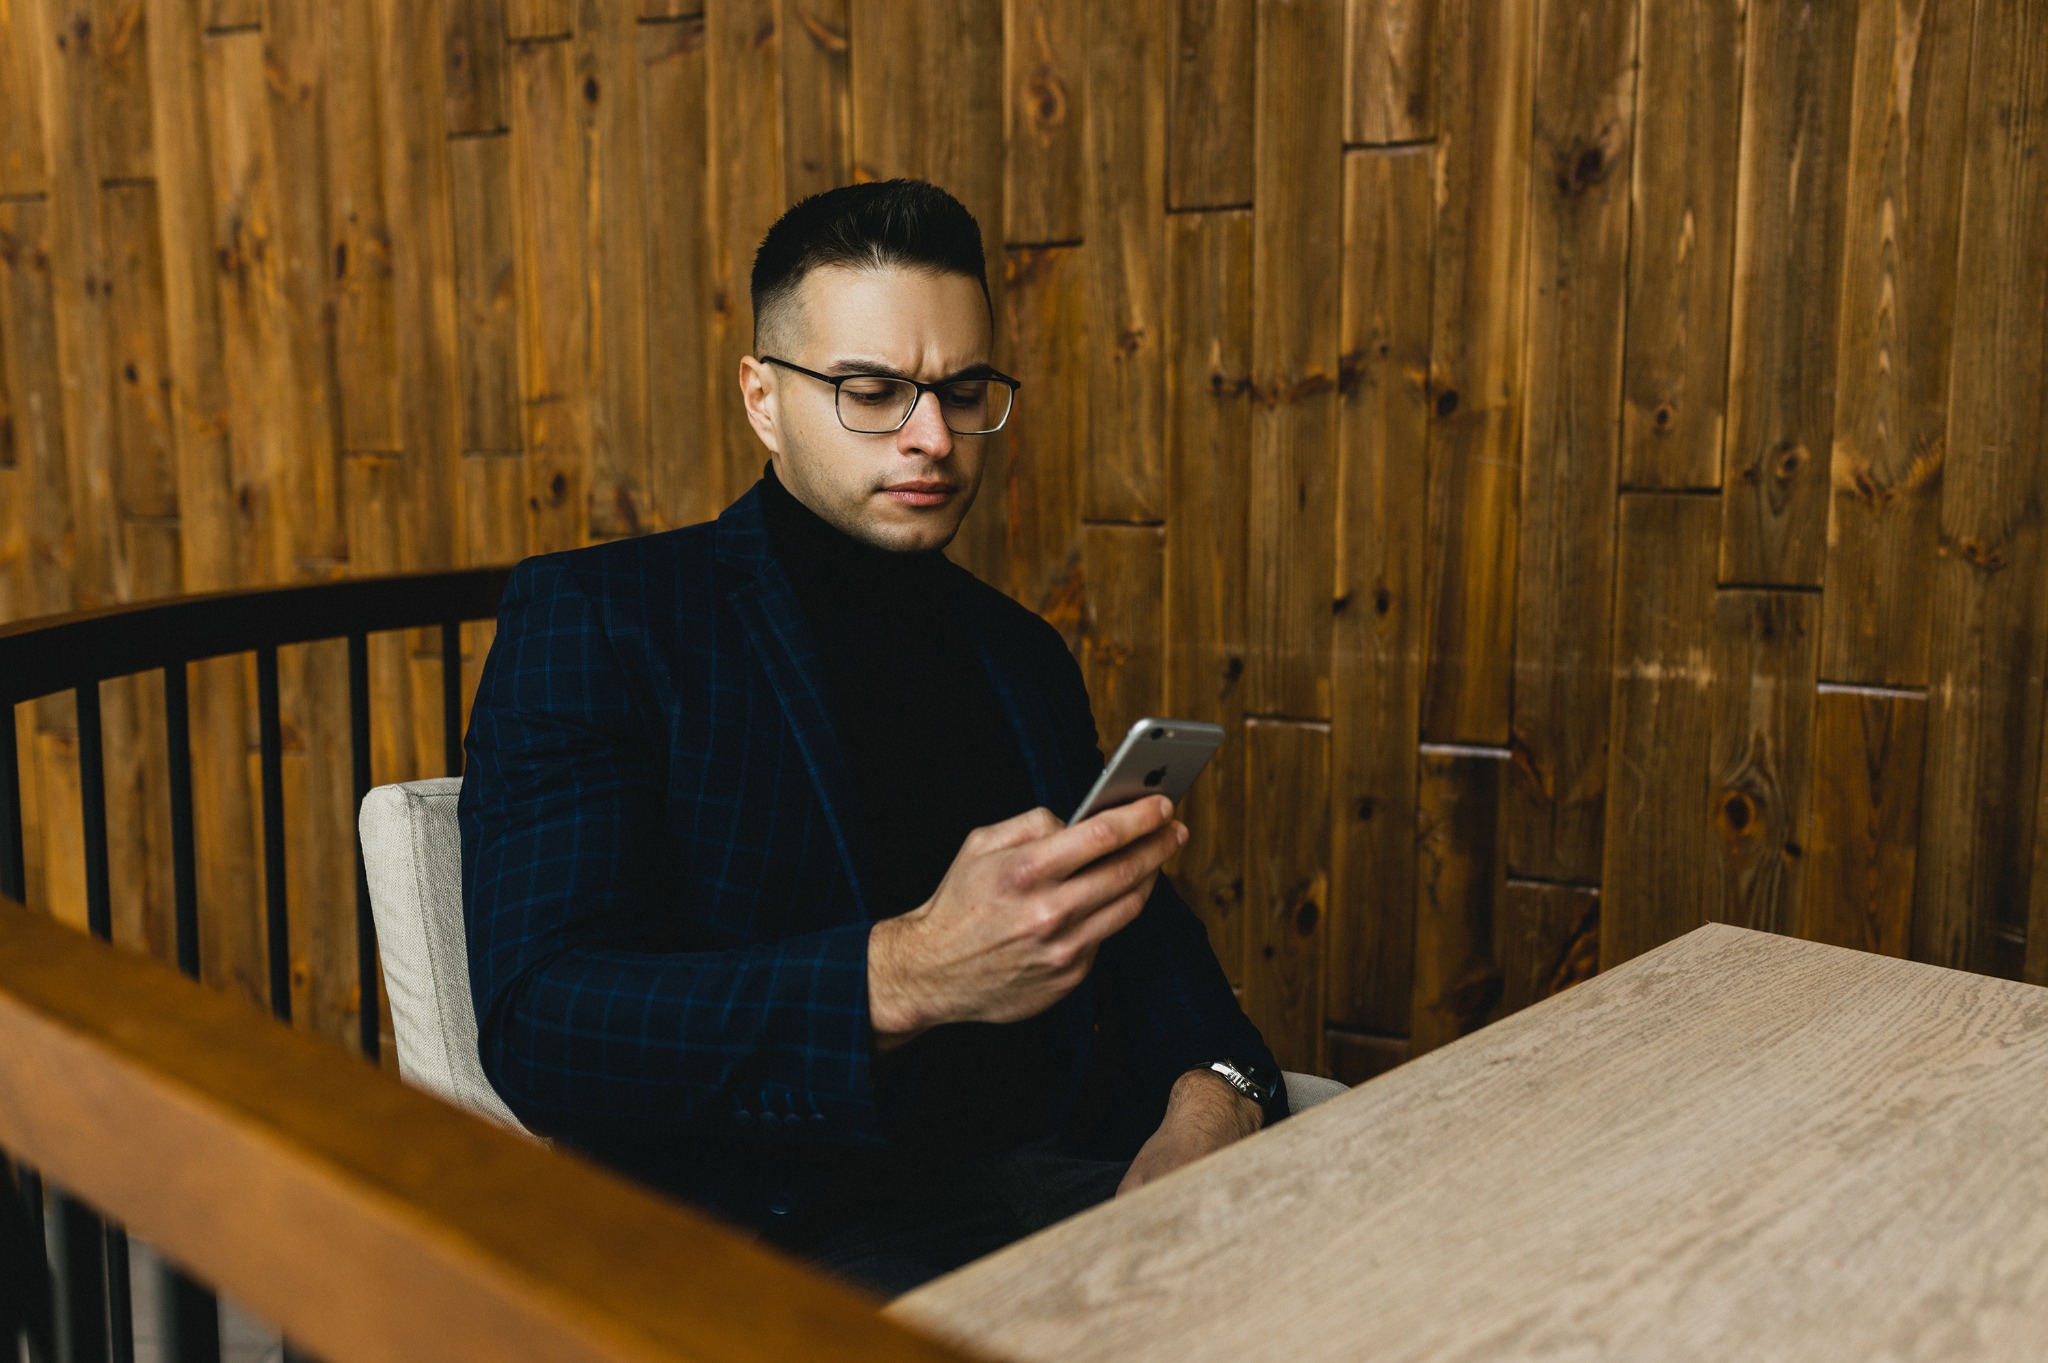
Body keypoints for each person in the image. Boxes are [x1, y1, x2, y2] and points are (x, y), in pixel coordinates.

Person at [458, 178, 1287, 1296]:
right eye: (871, 391)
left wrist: (1208, 1113)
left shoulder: (1019, 652)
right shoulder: (606, 619)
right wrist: (905, 974)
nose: (932, 438)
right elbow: (544, 1024)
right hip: (790, 1230)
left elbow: (1149, 951)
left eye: (960, 389)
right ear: (762, 398)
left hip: (1070, 1182)